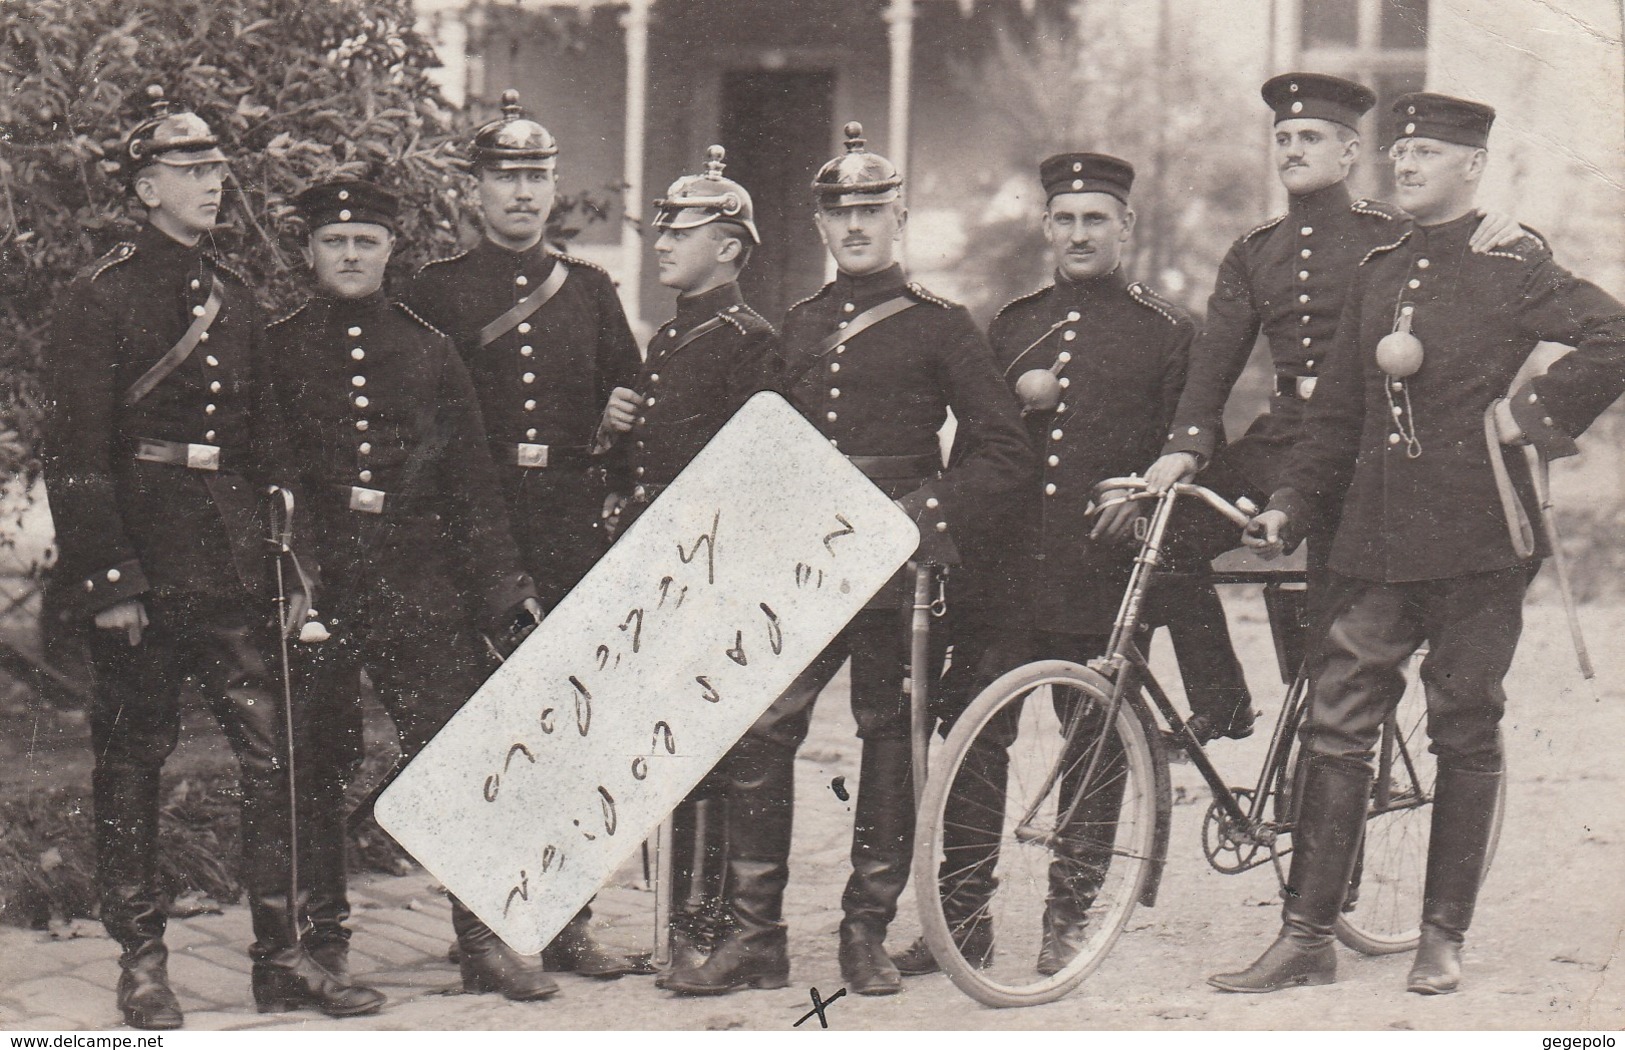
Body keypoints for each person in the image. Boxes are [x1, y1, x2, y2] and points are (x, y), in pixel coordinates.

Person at [1213, 93, 1625, 997]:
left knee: (1462, 720)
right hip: (1372, 534)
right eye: (1398, 152)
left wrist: (1530, 416)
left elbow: (1613, 334)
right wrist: (1289, 500)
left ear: (1471, 166)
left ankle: (1441, 936)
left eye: (1426, 154)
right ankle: (1306, 936)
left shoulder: (1513, 261)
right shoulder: (1377, 267)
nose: (1403, 166)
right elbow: (1335, 417)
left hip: (1479, 536)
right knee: (1337, 718)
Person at [664, 121, 1032, 998]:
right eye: (839, 213)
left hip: (896, 563)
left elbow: (1002, 451)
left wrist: (925, 515)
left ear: (899, 217)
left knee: (887, 740)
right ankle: (756, 936)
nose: (855, 227)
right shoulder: (797, 324)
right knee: (761, 729)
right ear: (820, 226)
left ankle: (863, 931)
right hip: (802, 563)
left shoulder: (942, 326)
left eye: (871, 210)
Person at [42, 87, 381, 1028]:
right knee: (134, 760)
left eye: (216, 171)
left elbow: (265, 440)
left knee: (274, 758)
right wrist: (109, 580)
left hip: (230, 564)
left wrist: (288, 562)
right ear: (146, 186)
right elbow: (72, 453)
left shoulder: (234, 295)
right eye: (191, 172)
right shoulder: (101, 294)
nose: (211, 186)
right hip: (142, 567)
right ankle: (142, 962)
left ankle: (281, 960)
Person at [891, 152, 1205, 979]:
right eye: (1063, 219)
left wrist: (1143, 495)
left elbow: (1185, 446)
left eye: (1094, 219)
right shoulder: (1014, 322)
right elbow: (986, 448)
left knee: (1092, 747)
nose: (1076, 234)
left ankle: (1068, 918)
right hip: (1002, 574)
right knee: (972, 735)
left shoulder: (1166, 330)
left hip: (1097, 573)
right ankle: (961, 924)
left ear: (1125, 227)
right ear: (1044, 227)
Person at [1142, 73, 1524, 709]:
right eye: (1284, 137)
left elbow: (1464, 257)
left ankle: (1325, 753)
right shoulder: (1254, 251)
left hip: (1368, 445)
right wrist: (1187, 446)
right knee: (1167, 539)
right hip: (1284, 438)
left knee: (1334, 611)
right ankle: (1221, 703)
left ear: (1349, 153)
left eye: (1311, 137)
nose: (1293, 149)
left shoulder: (1395, 234)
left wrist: (1505, 226)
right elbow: (1213, 365)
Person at [265, 178, 552, 1002]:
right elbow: (272, 473)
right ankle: (323, 943)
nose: (350, 254)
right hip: (319, 581)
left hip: (417, 579)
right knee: (315, 761)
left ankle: (481, 938)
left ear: (393, 249)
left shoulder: (430, 348)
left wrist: (504, 586)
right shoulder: (279, 347)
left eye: (365, 240)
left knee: (458, 754)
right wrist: (297, 576)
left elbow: (472, 484)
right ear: (308, 251)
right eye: (333, 241)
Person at [406, 90, 645, 978]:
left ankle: (565, 918)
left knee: (572, 731)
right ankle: (482, 932)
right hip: (475, 525)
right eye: (504, 178)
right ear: (473, 190)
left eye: (537, 178)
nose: (522, 194)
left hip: (569, 526)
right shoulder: (434, 290)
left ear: (554, 191)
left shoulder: (589, 290)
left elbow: (630, 396)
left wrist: (623, 416)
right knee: (483, 732)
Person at [602, 146, 779, 975]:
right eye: (661, 228)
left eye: (684, 230)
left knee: (718, 750)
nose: (663, 243)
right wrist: (612, 428)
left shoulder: (750, 343)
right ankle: (683, 928)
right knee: (679, 749)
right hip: (661, 571)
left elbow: (760, 474)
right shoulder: (673, 335)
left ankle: (708, 932)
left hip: (716, 576)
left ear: (732, 247)